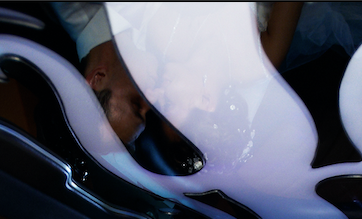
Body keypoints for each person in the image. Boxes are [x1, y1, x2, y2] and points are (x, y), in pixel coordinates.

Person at [54, 2, 303, 145]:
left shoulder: (151, 37)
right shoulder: (161, 49)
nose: (152, 95)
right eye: (163, 103)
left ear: (98, 78)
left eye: (135, 103)